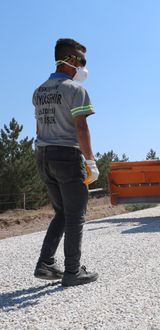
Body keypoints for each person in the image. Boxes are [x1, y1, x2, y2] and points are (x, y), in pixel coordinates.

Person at [32, 38, 99, 287]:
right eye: (82, 61)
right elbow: (81, 128)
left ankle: (46, 264)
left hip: (43, 155)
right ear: (70, 60)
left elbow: (38, 126)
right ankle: (73, 271)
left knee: (61, 211)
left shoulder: (39, 91)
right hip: (67, 157)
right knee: (75, 214)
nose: (83, 67)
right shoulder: (75, 90)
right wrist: (90, 161)